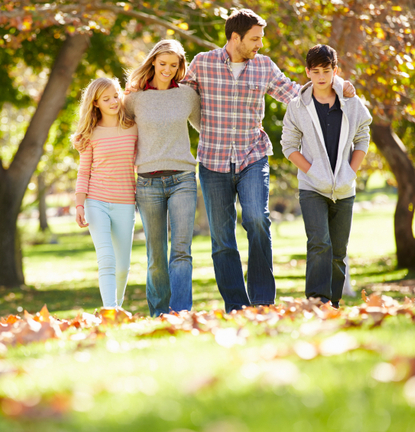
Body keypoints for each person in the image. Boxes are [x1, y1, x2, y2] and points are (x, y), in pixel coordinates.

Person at [182, 9, 356, 311]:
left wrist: (339, 87)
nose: (260, 44)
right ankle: (236, 305)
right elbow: (179, 98)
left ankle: (262, 301)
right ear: (235, 38)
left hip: (253, 156)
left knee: (257, 220)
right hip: (212, 161)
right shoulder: (203, 63)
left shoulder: (263, 66)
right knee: (222, 239)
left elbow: (295, 93)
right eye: (255, 39)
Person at [281, 44, 372, 308]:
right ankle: (317, 300)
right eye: (316, 71)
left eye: (327, 71)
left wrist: (350, 172)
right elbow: (288, 146)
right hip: (311, 188)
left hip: (344, 188)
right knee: (319, 242)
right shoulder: (297, 107)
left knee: (338, 251)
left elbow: (362, 137)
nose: (321, 77)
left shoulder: (351, 102)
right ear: (307, 71)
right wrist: (312, 172)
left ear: (335, 70)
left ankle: (333, 303)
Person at [124, 39, 201, 317]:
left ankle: (181, 313)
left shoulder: (187, 96)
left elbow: (209, 126)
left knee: (181, 251)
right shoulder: (134, 99)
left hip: (183, 179)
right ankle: (158, 313)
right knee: (156, 256)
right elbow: (120, 131)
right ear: (153, 61)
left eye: (174, 65)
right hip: (147, 183)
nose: (168, 69)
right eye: (163, 63)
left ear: (181, 66)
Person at [72, 77, 138, 309]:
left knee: (122, 267)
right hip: (96, 201)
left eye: (116, 95)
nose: (113, 101)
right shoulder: (90, 134)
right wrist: (80, 205)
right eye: (106, 98)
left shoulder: (133, 127)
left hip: (126, 202)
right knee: (107, 260)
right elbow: (83, 171)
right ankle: (109, 311)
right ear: (96, 103)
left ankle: (116, 308)